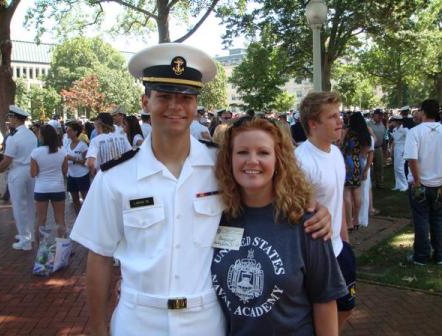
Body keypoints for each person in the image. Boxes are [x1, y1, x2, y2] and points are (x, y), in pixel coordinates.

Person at [70, 43, 331, 336]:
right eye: (164, 96)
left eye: (185, 97)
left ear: (195, 105)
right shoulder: (115, 177)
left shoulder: (220, 165)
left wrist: (313, 209)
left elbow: (270, 187)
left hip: (204, 320)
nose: (175, 106)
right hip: (138, 319)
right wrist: (97, 329)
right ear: (145, 102)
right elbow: (99, 258)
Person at [212, 116, 346, 335]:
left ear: (278, 160)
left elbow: (325, 300)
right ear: (229, 159)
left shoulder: (307, 222)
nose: (252, 161)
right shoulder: (216, 217)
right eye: (242, 152)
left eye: (263, 152)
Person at [295, 92, 356, 331]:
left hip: (339, 249)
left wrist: (346, 243)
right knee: (321, 318)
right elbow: (296, 217)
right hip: (316, 258)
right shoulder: (301, 162)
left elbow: (337, 201)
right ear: (313, 123)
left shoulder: (336, 153)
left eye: (339, 114)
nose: (340, 120)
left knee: (347, 308)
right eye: (332, 116)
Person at [0, 105, 37, 250]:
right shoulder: (31, 134)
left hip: (17, 171)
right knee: (30, 204)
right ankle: (29, 233)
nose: (9, 120)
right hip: (30, 171)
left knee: (18, 205)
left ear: (16, 118)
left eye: (10, 117)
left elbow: (6, 161)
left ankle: (25, 238)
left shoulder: (13, 137)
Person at [404, 99, 442, 266]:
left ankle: (421, 256)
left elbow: (412, 159)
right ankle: (440, 255)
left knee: (421, 220)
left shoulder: (415, 132)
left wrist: (417, 182)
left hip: (421, 184)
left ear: (423, 112)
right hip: (438, 185)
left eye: (419, 109)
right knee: (437, 219)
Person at [30, 125, 68, 241]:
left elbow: (33, 173)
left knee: (41, 219)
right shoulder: (62, 152)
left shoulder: (36, 152)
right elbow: (64, 171)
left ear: (43, 136)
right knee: (60, 219)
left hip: (41, 189)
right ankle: (63, 246)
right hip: (58, 188)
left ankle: (40, 248)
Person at [341, 112, 372, 230]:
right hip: (358, 162)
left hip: (346, 163)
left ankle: (348, 223)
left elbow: (340, 144)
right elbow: (366, 149)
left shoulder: (347, 131)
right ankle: (356, 220)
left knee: (347, 193)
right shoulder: (364, 133)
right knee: (357, 191)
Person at [64, 121, 90, 214]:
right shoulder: (67, 144)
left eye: (70, 130)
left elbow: (87, 162)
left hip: (82, 175)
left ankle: (88, 218)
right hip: (71, 175)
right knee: (75, 200)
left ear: (75, 132)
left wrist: (73, 159)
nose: (67, 132)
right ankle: (78, 220)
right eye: (67, 130)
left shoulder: (83, 145)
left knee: (86, 199)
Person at [367, 109, 386, 188]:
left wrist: (384, 148)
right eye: (378, 115)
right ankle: (369, 183)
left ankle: (379, 183)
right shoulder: (368, 124)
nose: (380, 117)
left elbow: (384, 137)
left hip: (378, 148)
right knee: (368, 166)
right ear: (374, 115)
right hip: (369, 148)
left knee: (379, 166)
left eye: (381, 115)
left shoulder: (382, 125)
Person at [390, 115, 408, 191]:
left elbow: (409, 141)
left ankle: (405, 185)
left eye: (393, 121)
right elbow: (394, 141)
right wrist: (392, 150)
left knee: (400, 168)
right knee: (396, 168)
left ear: (397, 121)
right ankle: (398, 185)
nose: (392, 122)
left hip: (402, 149)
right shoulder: (394, 129)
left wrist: (405, 151)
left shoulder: (405, 130)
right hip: (397, 149)